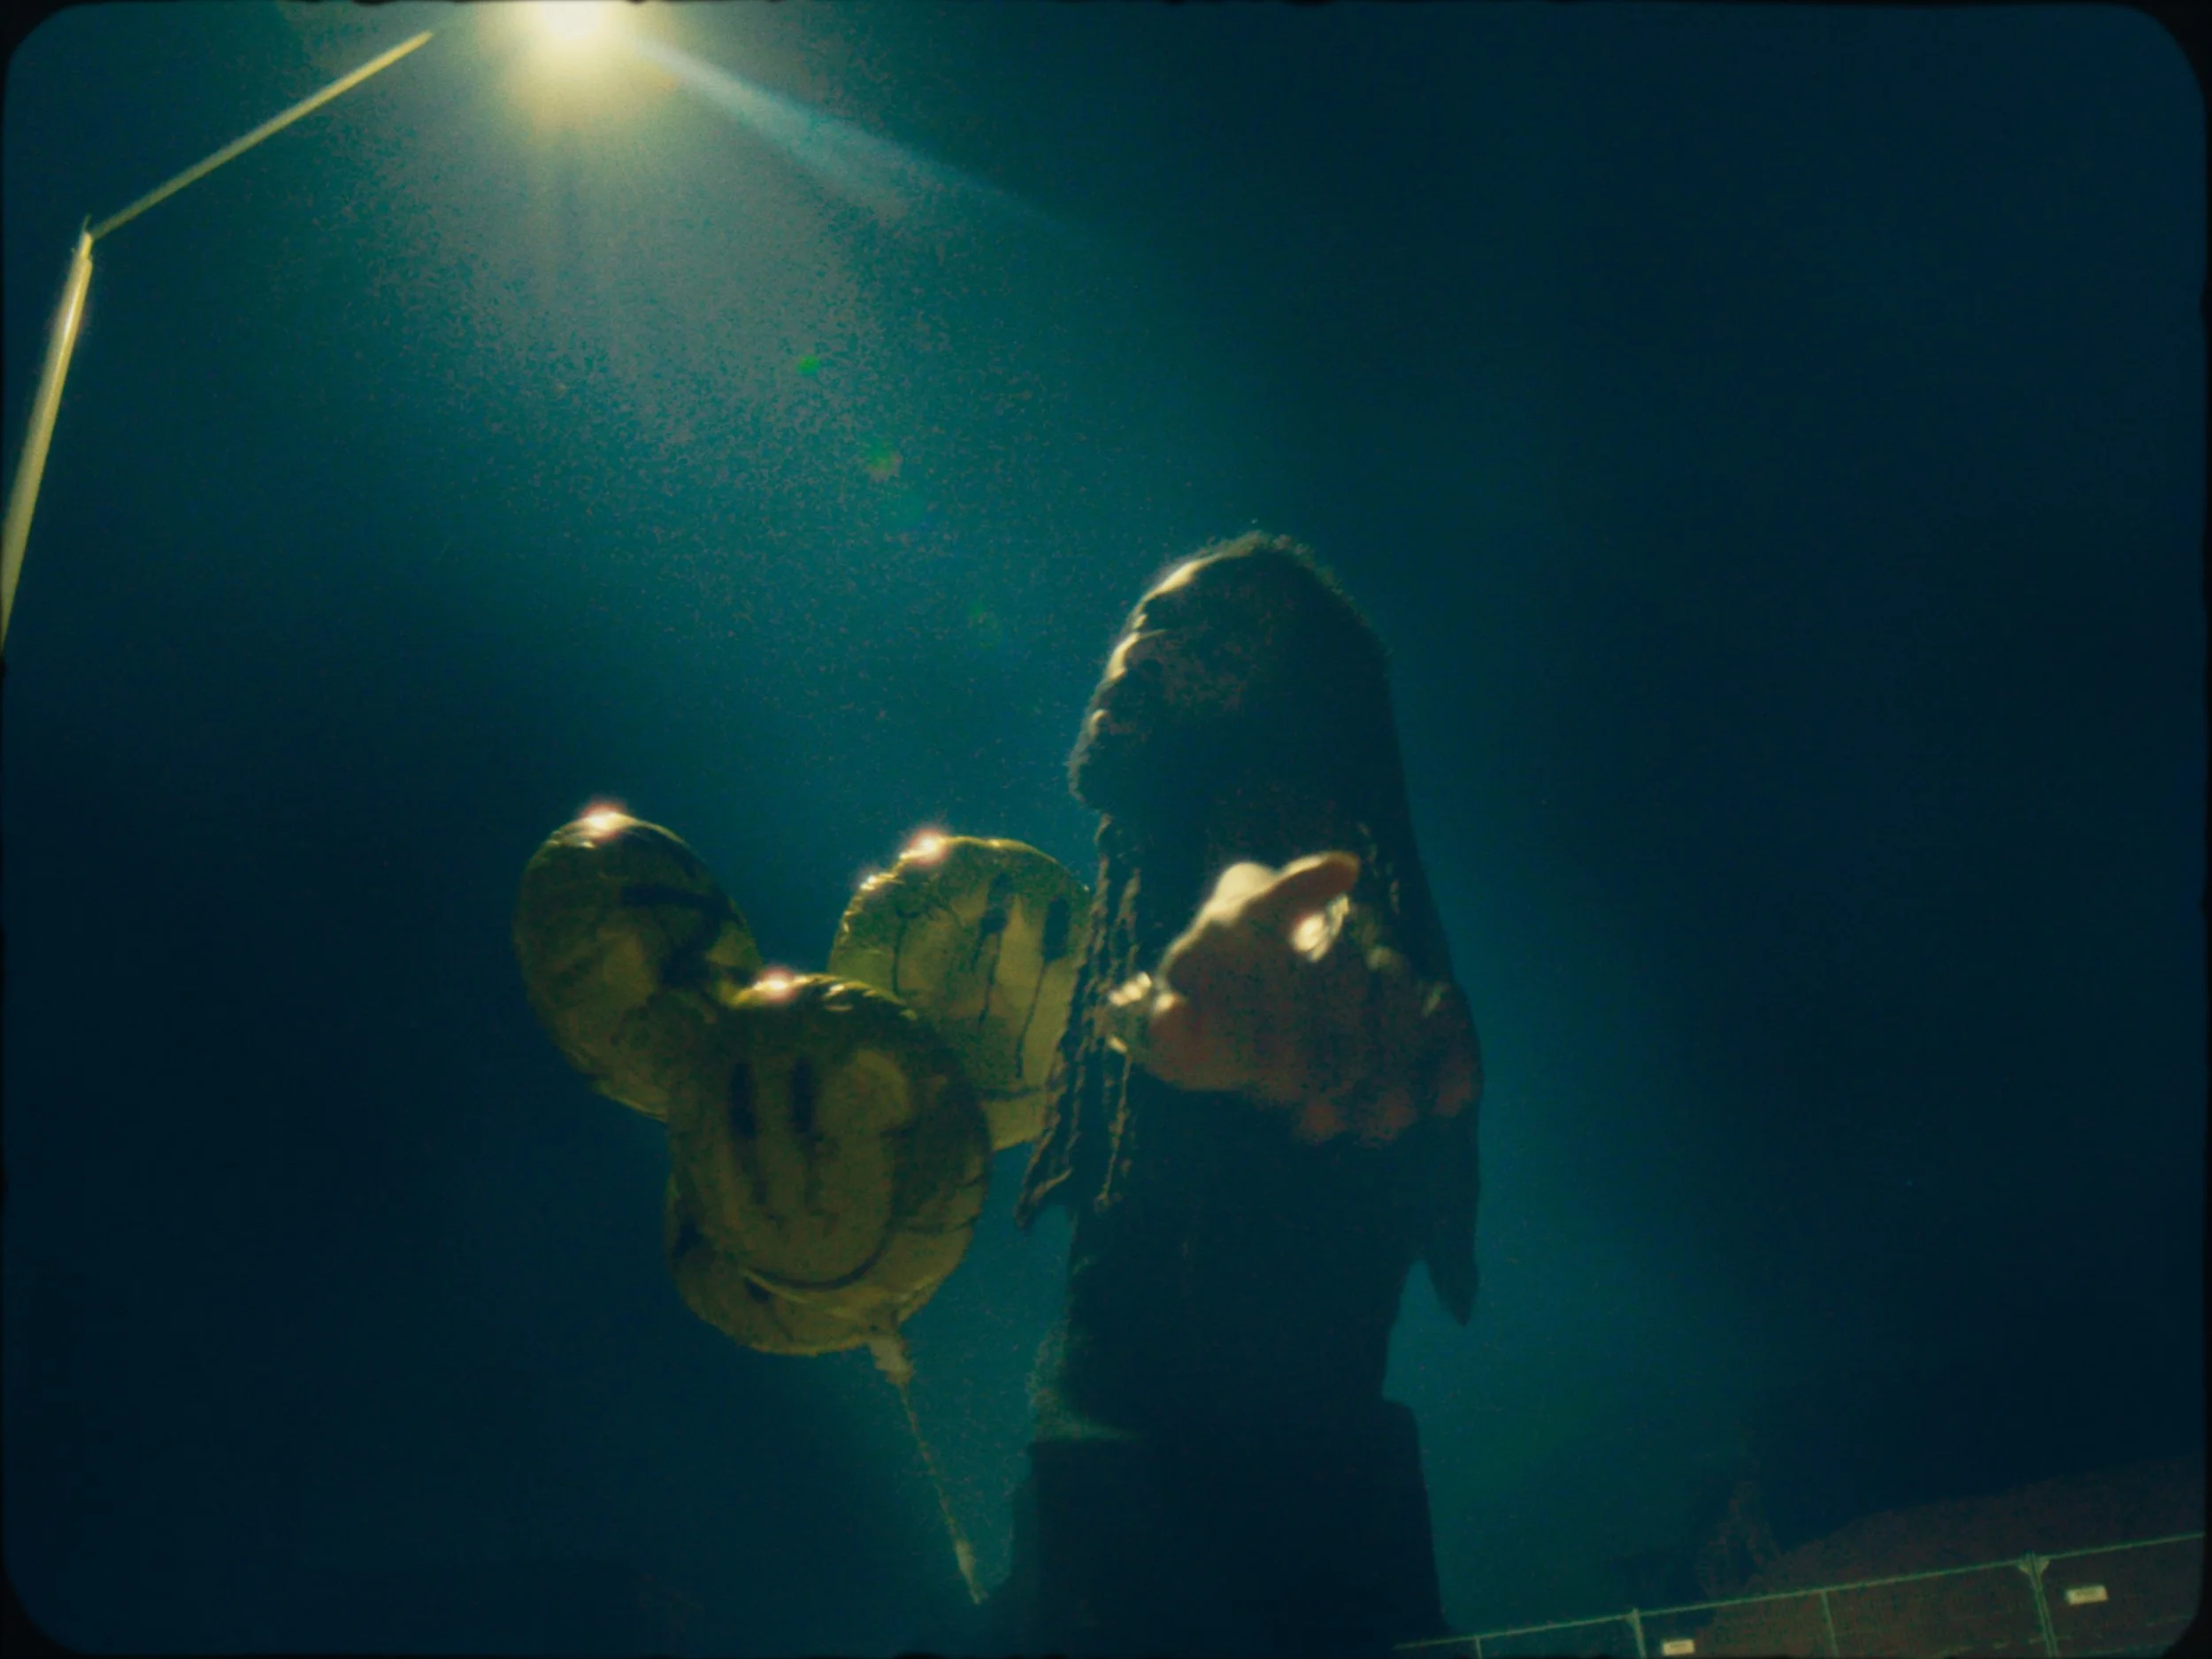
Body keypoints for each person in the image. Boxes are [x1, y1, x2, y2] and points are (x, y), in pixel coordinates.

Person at [985, 532, 1482, 1656]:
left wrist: (1327, 950)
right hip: (1174, 1531)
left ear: (1287, 705)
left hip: (1226, 1553)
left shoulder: (1269, 814)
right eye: (1146, 618)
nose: (1147, 645)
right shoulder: (1135, 893)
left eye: (1210, 638)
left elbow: (1290, 880)